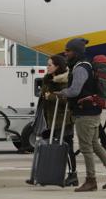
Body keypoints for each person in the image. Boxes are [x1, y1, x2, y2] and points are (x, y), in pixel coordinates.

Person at [55, 38, 106, 192]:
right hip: (92, 111)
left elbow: (75, 90)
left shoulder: (80, 68)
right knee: (95, 145)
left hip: (85, 113)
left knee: (86, 148)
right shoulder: (85, 65)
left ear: (76, 52)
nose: (65, 53)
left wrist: (61, 93)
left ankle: (91, 180)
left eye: (68, 50)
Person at [26, 55, 78, 187]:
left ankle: (73, 174)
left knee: (66, 145)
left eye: (50, 65)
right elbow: (44, 95)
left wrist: (52, 97)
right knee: (45, 144)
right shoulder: (47, 78)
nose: (47, 67)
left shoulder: (67, 80)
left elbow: (68, 99)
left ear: (57, 66)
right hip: (50, 119)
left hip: (63, 119)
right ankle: (43, 174)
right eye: (47, 64)